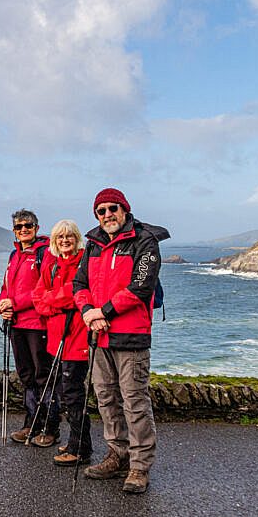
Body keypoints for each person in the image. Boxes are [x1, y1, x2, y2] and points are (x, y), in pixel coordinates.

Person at [73, 188, 168, 494]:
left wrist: (105, 310)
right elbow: (79, 283)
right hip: (99, 335)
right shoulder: (94, 244)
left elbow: (142, 285)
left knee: (135, 401)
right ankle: (118, 453)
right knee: (106, 398)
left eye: (112, 208)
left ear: (125, 209)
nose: (107, 215)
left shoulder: (145, 241)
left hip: (132, 336)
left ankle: (139, 466)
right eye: (101, 211)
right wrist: (88, 312)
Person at [32, 220, 93, 464]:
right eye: (60, 237)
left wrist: (53, 300)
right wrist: (58, 300)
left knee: (74, 395)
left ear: (76, 238)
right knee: (65, 393)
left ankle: (81, 450)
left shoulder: (84, 264)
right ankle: (76, 442)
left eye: (69, 236)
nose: (64, 240)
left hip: (77, 339)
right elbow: (38, 299)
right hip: (56, 340)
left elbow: (76, 295)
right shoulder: (52, 267)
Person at [0, 208, 54, 445]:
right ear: (15, 231)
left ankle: (49, 427)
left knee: (44, 376)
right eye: (19, 227)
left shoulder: (46, 253)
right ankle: (31, 423)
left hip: (38, 325)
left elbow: (45, 289)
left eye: (28, 225)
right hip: (17, 323)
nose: (24, 230)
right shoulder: (14, 255)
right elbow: (6, 287)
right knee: (26, 376)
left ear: (36, 228)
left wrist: (14, 304)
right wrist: (1, 305)